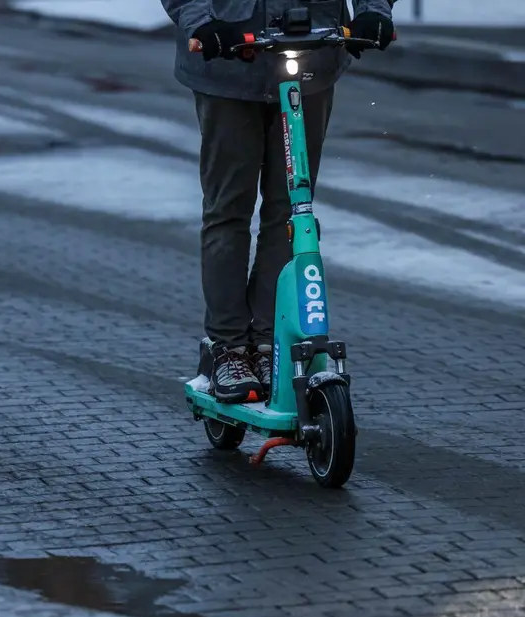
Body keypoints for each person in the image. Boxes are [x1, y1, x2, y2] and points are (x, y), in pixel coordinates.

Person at [164, 1, 395, 403]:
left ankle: (269, 341)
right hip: (228, 60)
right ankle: (229, 347)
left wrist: (375, 10)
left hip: (313, 53)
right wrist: (202, 22)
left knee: (292, 208)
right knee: (228, 209)